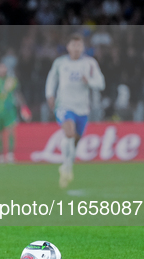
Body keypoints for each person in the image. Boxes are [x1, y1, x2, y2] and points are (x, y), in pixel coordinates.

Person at [45, 33, 105, 188]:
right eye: (74, 45)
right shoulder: (60, 63)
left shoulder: (90, 63)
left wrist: (89, 81)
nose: (77, 48)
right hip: (64, 105)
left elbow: (101, 83)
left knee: (75, 141)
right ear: (68, 47)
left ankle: (66, 167)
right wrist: (50, 95)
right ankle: (66, 168)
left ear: (83, 47)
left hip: (82, 108)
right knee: (69, 133)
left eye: (79, 45)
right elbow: (52, 78)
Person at [0, 62, 30, 163]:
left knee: (11, 132)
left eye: (3, 67)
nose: (2, 70)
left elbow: (18, 94)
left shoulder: (12, 81)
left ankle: (10, 155)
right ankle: (0, 156)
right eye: (0, 68)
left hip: (9, 110)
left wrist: (24, 108)